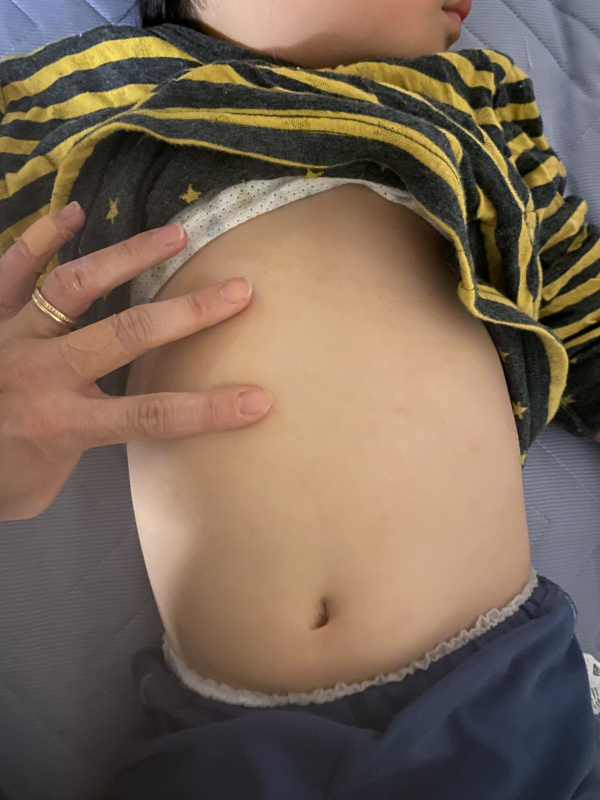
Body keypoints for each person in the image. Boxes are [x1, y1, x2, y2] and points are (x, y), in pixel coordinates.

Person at [1, 0, 599, 796]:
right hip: (230, 741)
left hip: (503, 698)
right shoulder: (98, 88)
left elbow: (582, 302)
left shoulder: (467, 96)